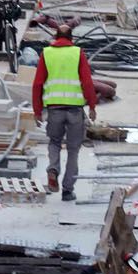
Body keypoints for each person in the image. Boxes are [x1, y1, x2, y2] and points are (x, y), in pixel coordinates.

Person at [31, 17, 97, 201]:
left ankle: (53, 169)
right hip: (75, 110)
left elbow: (37, 84)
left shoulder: (47, 53)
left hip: (54, 109)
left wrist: (37, 111)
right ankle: (68, 190)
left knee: (54, 142)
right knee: (74, 149)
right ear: (71, 38)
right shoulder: (78, 53)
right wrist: (92, 105)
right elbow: (87, 81)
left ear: (55, 36)